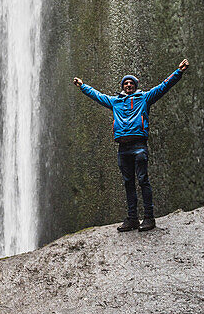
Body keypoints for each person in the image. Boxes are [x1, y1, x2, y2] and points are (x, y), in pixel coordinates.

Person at [72, 59, 189, 232]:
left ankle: (149, 218)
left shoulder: (144, 98)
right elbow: (97, 96)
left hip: (139, 145)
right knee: (128, 182)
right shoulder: (115, 102)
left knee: (142, 180)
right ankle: (132, 219)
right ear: (122, 86)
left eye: (131, 83)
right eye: (126, 83)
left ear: (135, 86)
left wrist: (178, 71)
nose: (128, 85)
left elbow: (164, 86)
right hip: (123, 147)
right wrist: (83, 86)